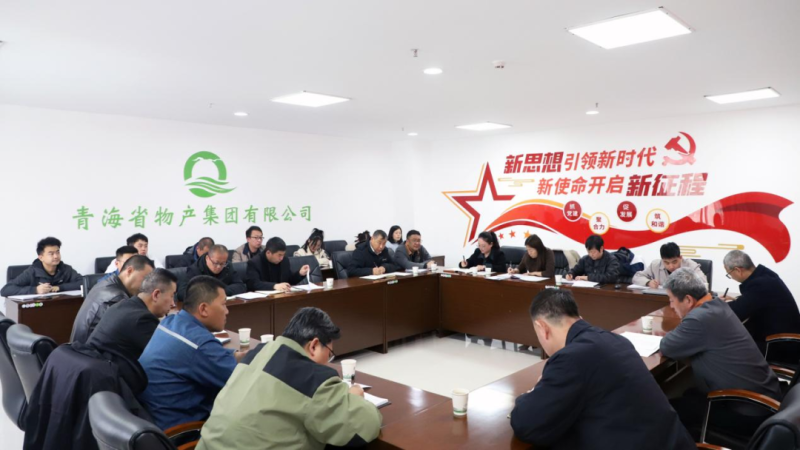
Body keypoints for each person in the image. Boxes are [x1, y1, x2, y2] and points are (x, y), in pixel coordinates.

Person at [510, 289, 693, 449]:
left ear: (542, 327)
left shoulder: (572, 357)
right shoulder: (615, 339)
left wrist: (532, 392)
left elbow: (527, 423)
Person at [197, 307, 382, 450]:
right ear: (314, 345)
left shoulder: (256, 353)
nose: (328, 361)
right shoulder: (313, 379)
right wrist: (355, 397)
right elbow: (364, 425)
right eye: (329, 353)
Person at [660, 268, 782, 439]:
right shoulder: (718, 306)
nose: (671, 306)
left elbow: (667, 346)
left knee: (669, 409)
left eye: (672, 300)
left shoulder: (699, 319)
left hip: (749, 413)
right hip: (765, 401)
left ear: (688, 300)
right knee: (689, 394)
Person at [138, 276, 250, 430]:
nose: (227, 311)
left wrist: (233, 355)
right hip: (183, 431)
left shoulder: (170, 322)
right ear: (203, 309)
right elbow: (243, 383)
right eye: (223, 304)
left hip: (156, 419)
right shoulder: (199, 344)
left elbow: (200, 355)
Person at [86, 269, 178, 393]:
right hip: (114, 386)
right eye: (172, 296)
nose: (173, 303)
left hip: (97, 379)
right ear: (156, 294)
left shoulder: (123, 305)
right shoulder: (142, 319)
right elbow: (169, 357)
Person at [722, 250, 800, 355]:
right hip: (780, 338)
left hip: (778, 345)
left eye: (729, 274)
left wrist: (716, 303)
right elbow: (753, 301)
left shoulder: (760, 285)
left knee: (724, 343)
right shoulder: (765, 275)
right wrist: (737, 301)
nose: (731, 277)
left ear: (738, 270)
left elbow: (735, 312)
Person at [71, 255, 154, 344]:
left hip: (79, 347)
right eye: (145, 279)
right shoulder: (118, 298)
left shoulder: (106, 282)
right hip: (88, 350)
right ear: (130, 271)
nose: (146, 285)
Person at [1, 236, 83, 296]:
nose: (56, 256)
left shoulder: (66, 269)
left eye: (57, 252)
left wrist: (60, 287)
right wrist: (35, 290)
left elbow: (83, 282)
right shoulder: (32, 272)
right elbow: (6, 290)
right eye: (51, 253)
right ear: (41, 257)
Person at [180, 245, 246, 301]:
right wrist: (210, 294)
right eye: (216, 263)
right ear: (207, 258)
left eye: (222, 263)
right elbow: (182, 293)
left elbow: (241, 286)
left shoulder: (227, 266)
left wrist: (221, 291)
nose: (219, 267)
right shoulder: (195, 269)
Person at [632, 242, 706, 288]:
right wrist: (648, 282)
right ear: (662, 260)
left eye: (674, 262)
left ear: (680, 258)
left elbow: (703, 282)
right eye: (666, 263)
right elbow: (637, 277)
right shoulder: (655, 265)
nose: (671, 266)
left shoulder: (690, 265)